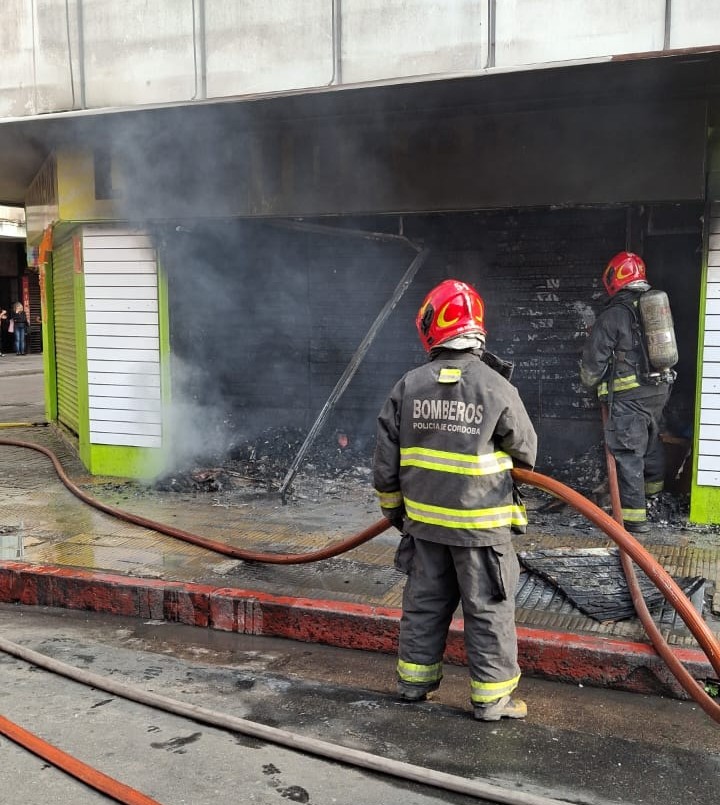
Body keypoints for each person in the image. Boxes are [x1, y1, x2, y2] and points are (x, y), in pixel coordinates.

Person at [373, 279, 537, 722]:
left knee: (424, 604)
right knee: (488, 610)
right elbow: (527, 451)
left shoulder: (408, 386)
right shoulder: (495, 386)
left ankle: (414, 683)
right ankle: (491, 698)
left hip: (424, 528)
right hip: (480, 531)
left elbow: (385, 463)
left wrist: (395, 511)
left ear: (433, 326)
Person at [580, 251, 674, 534]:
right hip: (659, 391)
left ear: (615, 277)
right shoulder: (654, 307)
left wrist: (588, 381)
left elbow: (593, 362)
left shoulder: (614, 314)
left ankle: (634, 518)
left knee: (627, 451)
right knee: (650, 439)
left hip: (628, 396)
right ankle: (655, 493)